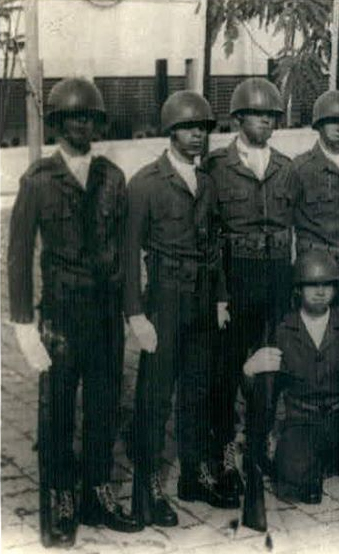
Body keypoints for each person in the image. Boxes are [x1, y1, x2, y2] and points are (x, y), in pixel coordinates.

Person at [7, 78, 141, 546]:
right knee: (58, 411)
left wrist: (133, 310)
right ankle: (61, 496)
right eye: (72, 117)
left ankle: (97, 491)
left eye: (89, 117)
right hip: (61, 317)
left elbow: (125, 247)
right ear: (58, 124)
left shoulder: (112, 178)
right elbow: (19, 254)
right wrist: (24, 324)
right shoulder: (39, 180)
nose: (81, 125)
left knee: (105, 405)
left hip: (105, 314)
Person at [125, 91, 234, 528]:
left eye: (202, 129)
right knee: (154, 398)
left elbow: (214, 245)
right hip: (165, 301)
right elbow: (128, 253)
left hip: (203, 301)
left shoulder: (206, 182)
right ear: (171, 131)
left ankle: (194, 476)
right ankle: (146, 489)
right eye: (188, 128)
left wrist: (221, 297)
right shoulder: (146, 183)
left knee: (198, 392)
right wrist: (136, 314)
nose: (197, 136)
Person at [243, 251, 339, 533]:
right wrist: (250, 370)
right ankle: (317, 467)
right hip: (304, 419)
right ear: (298, 289)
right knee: (291, 477)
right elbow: (262, 392)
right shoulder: (281, 329)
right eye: (313, 284)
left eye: (328, 284)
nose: (321, 291)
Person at [205, 77, 293, 502]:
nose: (265, 121)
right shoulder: (216, 167)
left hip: (276, 276)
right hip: (235, 275)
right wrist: (219, 293)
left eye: (270, 115)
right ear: (238, 118)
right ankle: (224, 452)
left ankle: (260, 444)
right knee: (226, 367)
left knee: (271, 364)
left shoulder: (285, 167)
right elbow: (207, 234)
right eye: (256, 114)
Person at [289, 90, 339, 313]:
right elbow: (284, 222)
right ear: (319, 125)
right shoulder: (300, 169)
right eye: (334, 121)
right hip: (315, 271)